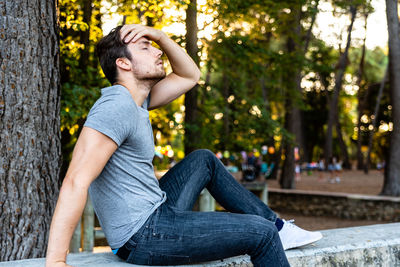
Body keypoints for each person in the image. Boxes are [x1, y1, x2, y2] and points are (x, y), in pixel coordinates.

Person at [45, 24, 322, 267]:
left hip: (157, 213)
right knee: (261, 234)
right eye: (145, 48)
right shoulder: (115, 106)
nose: (158, 53)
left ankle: (278, 227)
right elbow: (75, 180)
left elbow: (190, 75)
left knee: (203, 159)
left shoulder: (137, 101)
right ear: (124, 64)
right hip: (144, 235)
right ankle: (272, 230)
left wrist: (160, 36)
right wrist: (57, 260)